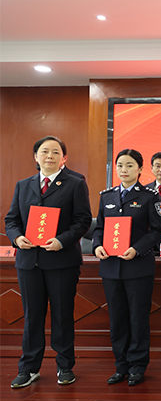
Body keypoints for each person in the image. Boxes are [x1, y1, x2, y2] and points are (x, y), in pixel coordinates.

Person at [4, 136, 92, 388]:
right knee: (32, 316)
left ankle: (64, 366)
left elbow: (83, 221)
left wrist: (61, 241)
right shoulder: (23, 185)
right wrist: (17, 238)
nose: (49, 156)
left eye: (55, 152)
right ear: (36, 157)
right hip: (29, 261)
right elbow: (11, 220)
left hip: (61, 261)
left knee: (62, 315)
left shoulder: (75, 184)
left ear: (64, 158)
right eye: (44, 151)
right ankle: (29, 368)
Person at [92, 149, 161, 386]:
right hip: (111, 267)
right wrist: (97, 246)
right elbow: (99, 228)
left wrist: (137, 249)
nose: (124, 170)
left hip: (138, 267)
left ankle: (137, 366)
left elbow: (157, 230)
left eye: (130, 165)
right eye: (120, 165)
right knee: (117, 319)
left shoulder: (149, 196)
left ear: (140, 169)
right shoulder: (107, 196)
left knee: (138, 318)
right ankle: (120, 365)